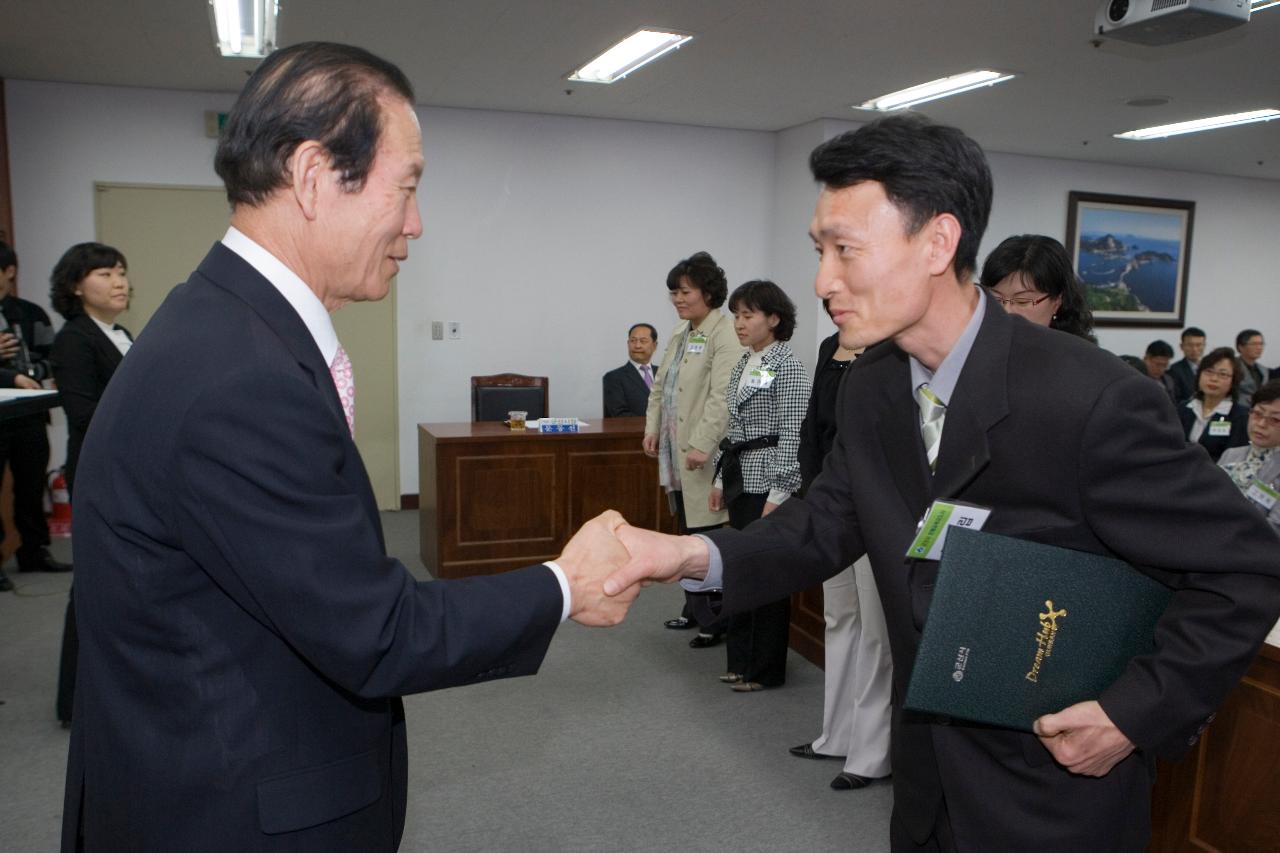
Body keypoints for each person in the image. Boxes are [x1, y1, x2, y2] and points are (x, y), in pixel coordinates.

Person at [605, 114, 1280, 853]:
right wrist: (688, 555)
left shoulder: (1087, 397)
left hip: (1055, 792)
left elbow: (1243, 567)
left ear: (938, 243)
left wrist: (1129, 714)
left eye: (845, 250)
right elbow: (826, 520)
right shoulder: (873, 386)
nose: (823, 280)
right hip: (925, 785)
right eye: (819, 250)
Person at [62, 42, 637, 853]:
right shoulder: (238, 374)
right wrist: (564, 584)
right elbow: (377, 632)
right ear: (312, 175)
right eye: (406, 188)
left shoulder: (224, 327)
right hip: (231, 812)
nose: (415, 222)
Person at [788, 301, 891, 790]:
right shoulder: (831, 347)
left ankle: (871, 753)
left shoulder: (895, 349)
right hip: (830, 504)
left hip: (876, 509)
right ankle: (836, 735)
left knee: (875, 630)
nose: (835, 305)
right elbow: (813, 429)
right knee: (838, 619)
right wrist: (811, 495)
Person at [47, 241, 134, 727]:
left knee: (118, 580)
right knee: (93, 583)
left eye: (120, 272)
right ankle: (73, 699)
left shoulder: (118, 332)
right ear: (76, 285)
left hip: (126, 470)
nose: (118, 281)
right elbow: (84, 413)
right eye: (103, 274)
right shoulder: (75, 338)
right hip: (99, 473)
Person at [709, 280, 809, 692]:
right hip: (740, 477)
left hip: (769, 483)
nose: (739, 323)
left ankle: (764, 670)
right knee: (741, 571)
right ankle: (740, 661)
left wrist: (780, 492)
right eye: (736, 315)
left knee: (767, 576)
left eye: (748, 315)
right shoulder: (746, 362)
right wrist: (718, 477)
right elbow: (734, 429)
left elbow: (793, 432)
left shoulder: (788, 364)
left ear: (774, 318)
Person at [643, 251, 737, 646]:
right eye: (673, 293)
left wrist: (702, 443)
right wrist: (651, 429)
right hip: (675, 450)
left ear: (708, 293)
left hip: (704, 452)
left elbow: (723, 397)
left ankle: (715, 617)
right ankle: (693, 608)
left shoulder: (724, 332)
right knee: (686, 529)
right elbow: (660, 388)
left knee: (708, 534)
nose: (678, 299)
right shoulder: (682, 334)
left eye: (685, 291)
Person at [0, 240, 71, 581]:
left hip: (29, 413)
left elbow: (51, 359)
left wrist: (27, 375)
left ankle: (35, 551)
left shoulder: (31, 313)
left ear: (9, 272)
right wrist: (7, 373)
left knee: (30, 487)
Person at [978, 233, 1094, 340]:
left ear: (1057, 302)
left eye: (1022, 301)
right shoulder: (976, 348)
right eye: (996, 300)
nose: (1006, 311)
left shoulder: (1081, 358)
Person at [1218, 378, 1280, 530]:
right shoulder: (1231, 455)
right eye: (1257, 414)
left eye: (1275, 420)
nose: (1261, 424)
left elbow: (1274, 529)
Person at [1178, 346, 1249, 462]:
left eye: (1223, 374)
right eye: (1209, 372)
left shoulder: (1239, 416)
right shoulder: (1184, 408)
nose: (1214, 379)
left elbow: (1233, 460)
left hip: (1215, 476)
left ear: (1233, 381)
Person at [602, 322, 657, 417]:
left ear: (654, 345)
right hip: (633, 431)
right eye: (633, 341)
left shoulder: (665, 373)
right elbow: (619, 414)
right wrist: (654, 426)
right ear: (628, 344)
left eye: (643, 341)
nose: (637, 346)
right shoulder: (613, 378)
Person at [1167, 326, 1205, 404]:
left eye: (1198, 345)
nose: (1194, 349)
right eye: (1190, 345)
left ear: (1204, 346)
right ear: (1182, 346)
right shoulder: (1175, 370)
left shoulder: (1209, 367)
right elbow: (1175, 399)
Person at [1235, 328, 1270, 405]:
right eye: (1254, 344)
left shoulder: (1264, 370)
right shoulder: (1232, 366)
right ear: (1240, 347)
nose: (1259, 348)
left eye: (1261, 344)